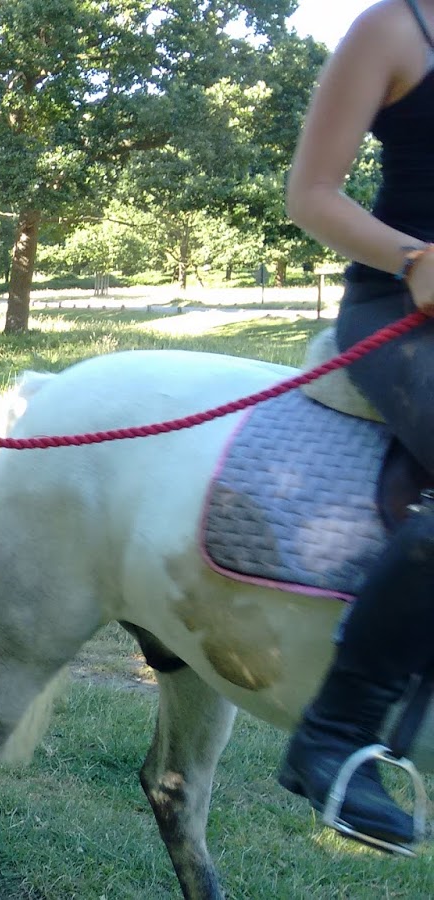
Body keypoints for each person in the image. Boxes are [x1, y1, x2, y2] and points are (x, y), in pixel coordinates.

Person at [281, 0, 434, 850]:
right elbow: (311, 193)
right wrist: (413, 258)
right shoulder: (395, 29)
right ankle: (334, 736)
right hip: (402, 309)